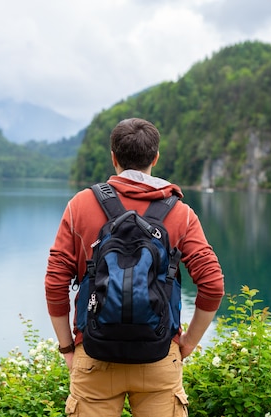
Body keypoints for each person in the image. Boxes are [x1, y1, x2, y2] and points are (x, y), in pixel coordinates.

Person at [44, 117, 225, 416]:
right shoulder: (181, 214)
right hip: (158, 355)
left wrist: (67, 348)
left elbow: (55, 283)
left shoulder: (80, 205)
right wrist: (187, 344)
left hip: (95, 354)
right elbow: (213, 285)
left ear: (113, 157)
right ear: (155, 157)